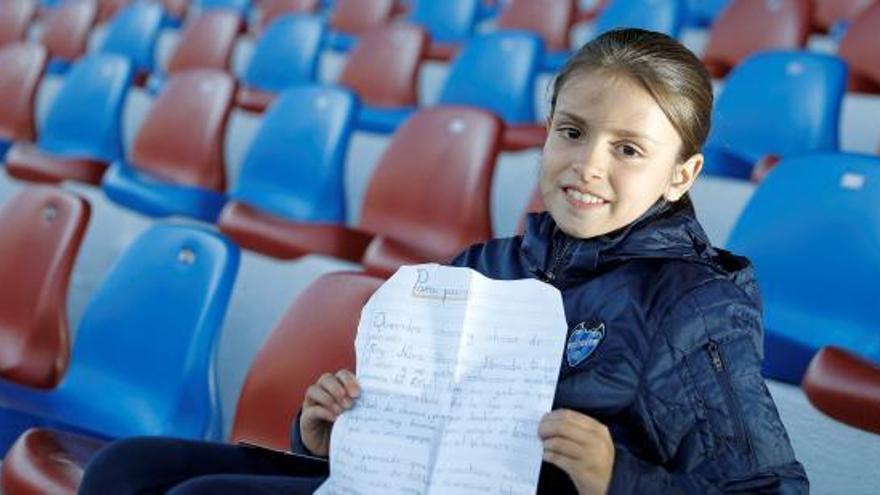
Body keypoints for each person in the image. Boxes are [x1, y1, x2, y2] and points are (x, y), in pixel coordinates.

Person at [79, 28, 808, 494]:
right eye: (572, 132)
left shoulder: (694, 300)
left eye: (628, 149)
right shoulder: (487, 263)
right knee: (127, 468)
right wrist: (331, 425)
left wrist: (620, 477)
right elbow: (402, 423)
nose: (587, 165)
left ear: (681, 175)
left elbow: (769, 489)